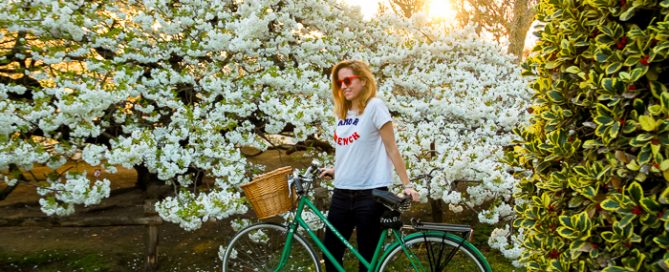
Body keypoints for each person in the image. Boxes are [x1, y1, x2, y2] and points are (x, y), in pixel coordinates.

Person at [318, 60, 419, 271]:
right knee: (331, 252)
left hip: (370, 195)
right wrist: (337, 169)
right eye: (339, 83)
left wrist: (407, 184)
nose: (343, 86)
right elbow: (353, 148)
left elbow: (391, 148)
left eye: (347, 81)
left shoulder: (375, 106)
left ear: (363, 80)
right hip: (342, 193)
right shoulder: (343, 113)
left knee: (367, 260)